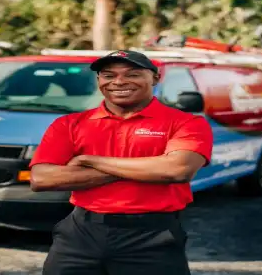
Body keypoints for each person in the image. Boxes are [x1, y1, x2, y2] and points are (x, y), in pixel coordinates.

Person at [29, 50, 213, 275]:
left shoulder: (187, 123)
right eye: (108, 75)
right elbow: (42, 179)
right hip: (81, 233)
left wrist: (90, 160)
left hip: (152, 235)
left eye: (133, 74)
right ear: (99, 81)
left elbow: (177, 170)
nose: (119, 82)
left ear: (155, 78)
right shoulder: (69, 124)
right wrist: (149, 168)